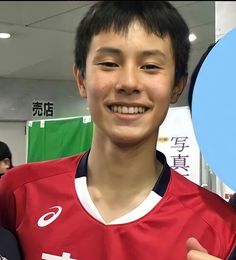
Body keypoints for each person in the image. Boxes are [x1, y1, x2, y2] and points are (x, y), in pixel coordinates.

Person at [0, 2, 235, 260]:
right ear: (81, 79)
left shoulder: (221, 227)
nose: (129, 83)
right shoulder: (18, 194)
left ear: (177, 85)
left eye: (150, 66)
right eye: (110, 63)